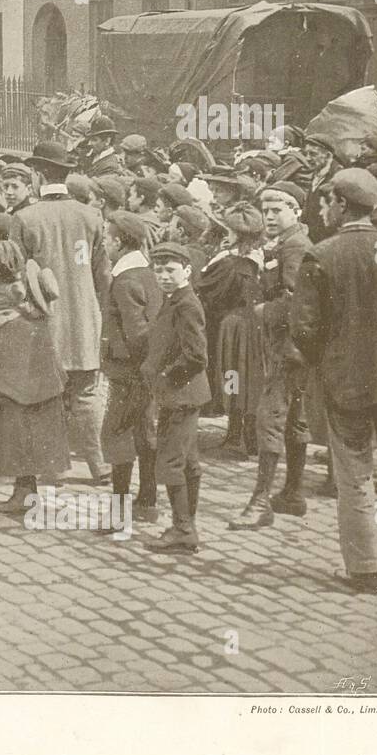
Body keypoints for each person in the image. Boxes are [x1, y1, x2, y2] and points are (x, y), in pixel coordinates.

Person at [291, 169, 377, 595]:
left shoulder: (322, 255)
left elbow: (304, 329)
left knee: (356, 476)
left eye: (327, 201)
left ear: (343, 204)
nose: (324, 209)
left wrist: (323, 364)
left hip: (346, 381)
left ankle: (365, 568)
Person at [12, 141, 111, 495]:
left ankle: (52, 467)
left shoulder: (25, 218)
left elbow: (17, 278)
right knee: (85, 392)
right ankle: (99, 465)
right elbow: (103, 276)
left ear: (38, 175)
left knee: (45, 396)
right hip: (86, 319)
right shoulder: (91, 216)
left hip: (43, 322)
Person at [0, 240, 69, 516]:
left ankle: (23, 493)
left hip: (11, 379)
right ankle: (28, 489)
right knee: (33, 433)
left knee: (15, 434)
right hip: (38, 374)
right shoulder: (27, 292)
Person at [230, 182, 312, 528]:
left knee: (270, 418)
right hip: (293, 346)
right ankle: (292, 493)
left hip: (285, 346)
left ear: (296, 211)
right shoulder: (282, 243)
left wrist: (263, 311)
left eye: (278, 210)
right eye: (266, 211)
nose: (270, 217)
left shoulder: (295, 246)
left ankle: (261, 501)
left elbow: (295, 299)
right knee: (294, 417)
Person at [141, 242, 210, 554]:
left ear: (187, 270)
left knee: (170, 460)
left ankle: (183, 528)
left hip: (180, 395)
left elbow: (196, 356)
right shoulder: (175, 300)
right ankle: (187, 524)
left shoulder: (186, 305)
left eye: (170, 269)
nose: (163, 275)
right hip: (181, 395)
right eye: (158, 269)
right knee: (188, 461)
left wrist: (167, 377)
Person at [99, 212, 163, 525]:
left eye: (107, 237)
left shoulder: (125, 280)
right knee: (144, 432)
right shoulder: (147, 273)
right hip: (144, 371)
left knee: (117, 434)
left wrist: (135, 366)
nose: (104, 243)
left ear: (120, 241)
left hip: (129, 372)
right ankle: (148, 498)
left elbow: (138, 333)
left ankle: (119, 512)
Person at [196, 202, 265, 456]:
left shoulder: (229, 263)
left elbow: (208, 292)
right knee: (246, 378)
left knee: (232, 376)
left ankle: (236, 436)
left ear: (235, 233)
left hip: (232, 327)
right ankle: (249, 435)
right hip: (252, 325)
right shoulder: (258, 257)